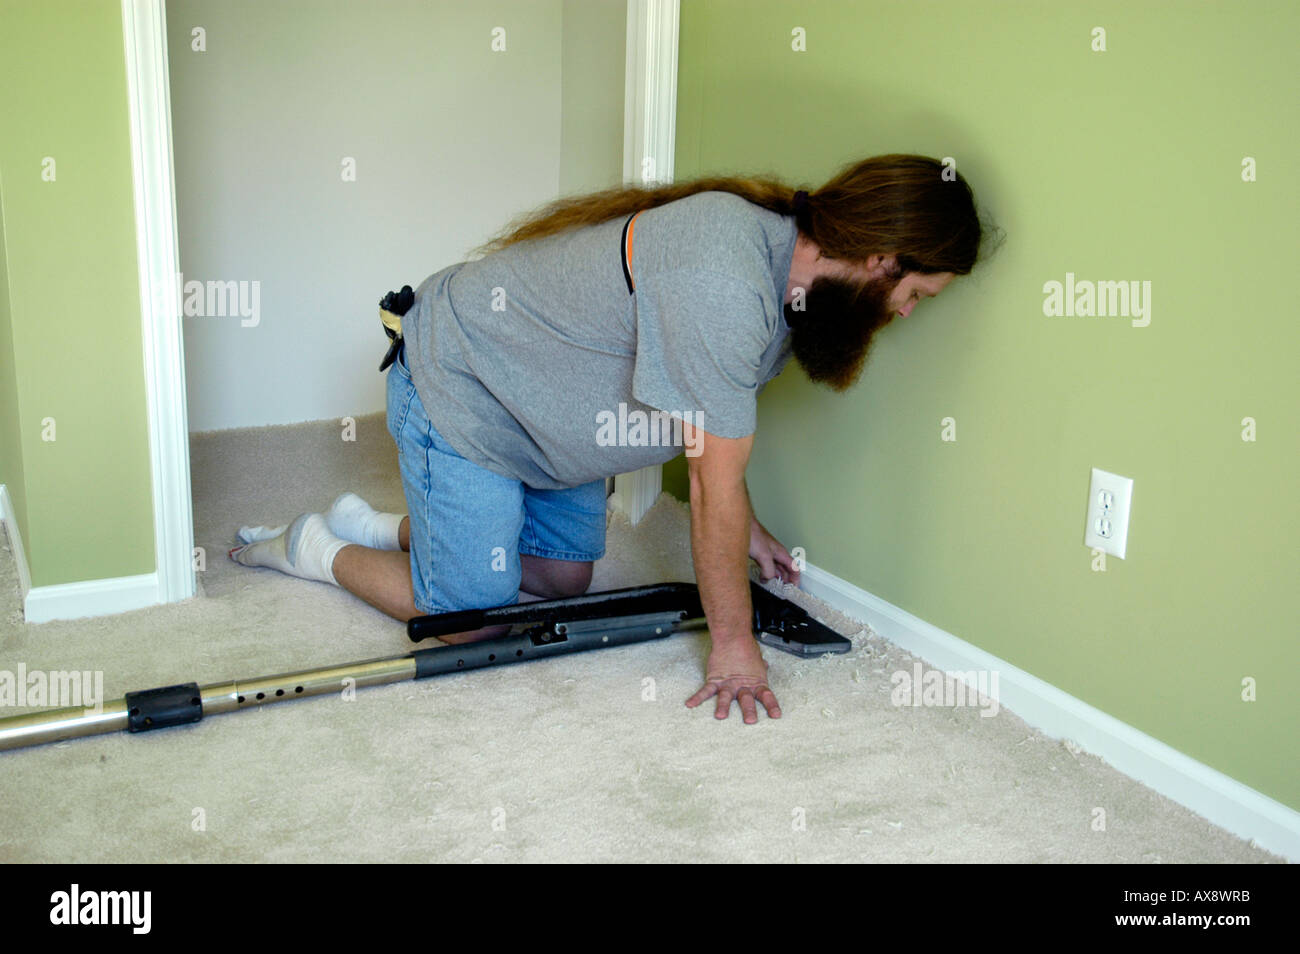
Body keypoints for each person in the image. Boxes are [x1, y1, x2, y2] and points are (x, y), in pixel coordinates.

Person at [230, 153, 992, 723]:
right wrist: (732, 644)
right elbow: (708, 482)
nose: (907, 314)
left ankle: (382, 524)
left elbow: (715, 427)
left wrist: (747, 525)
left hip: (551, 428)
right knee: (471, 619)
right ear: (882, 259)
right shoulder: (726, 279)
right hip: (465, 388)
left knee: (564, 583)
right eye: (915, 293)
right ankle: (312, 548)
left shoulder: (794, 288)